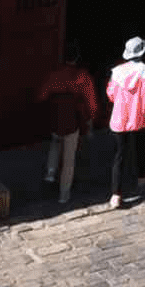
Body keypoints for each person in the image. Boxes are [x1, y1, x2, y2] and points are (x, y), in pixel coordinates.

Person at [38, 42, 98, 203]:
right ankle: (64, 195)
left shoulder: (54, 75)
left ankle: (50, 174)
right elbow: (91, 103)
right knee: (69, 159)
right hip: (72, 121)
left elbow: (42, 96)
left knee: (55, 144)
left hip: (56, 119)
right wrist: (90, 122)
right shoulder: (82, 77)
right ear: (77, 58)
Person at [105, 36, 145, 209]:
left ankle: (116, 195)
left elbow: (111, 95)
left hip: (120, 119)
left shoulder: (116, 72)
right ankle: (142, 177)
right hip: (140, 117)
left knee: (119, 157)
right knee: (141, 148)